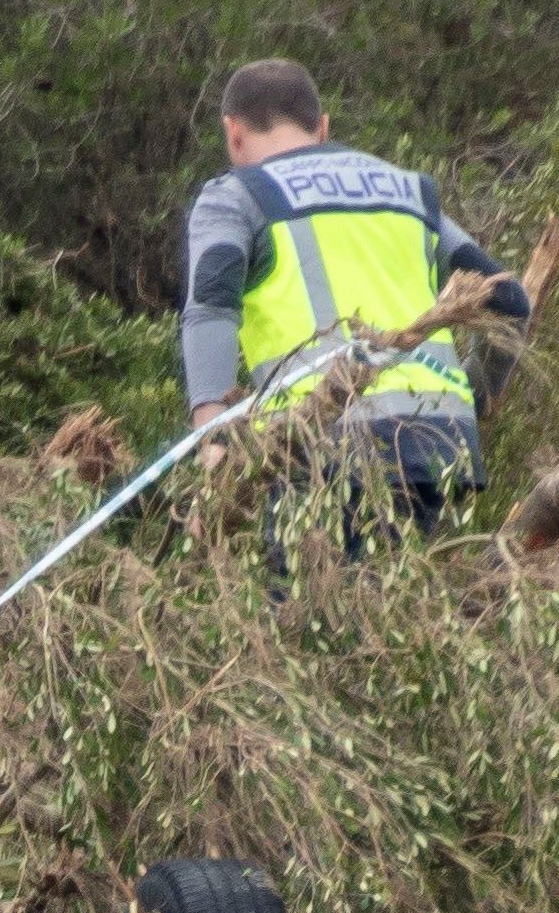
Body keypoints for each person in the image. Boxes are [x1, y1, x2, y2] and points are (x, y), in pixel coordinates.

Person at [181, 59, 530, 551]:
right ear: (322, 128)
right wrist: (473, 393)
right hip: (435, 442)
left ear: (233, 132)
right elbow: (510, 300)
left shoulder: (235, 198)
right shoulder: (409, 192)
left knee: (307, 617)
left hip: (318, 442)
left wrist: (213, 442)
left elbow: (210, 308)